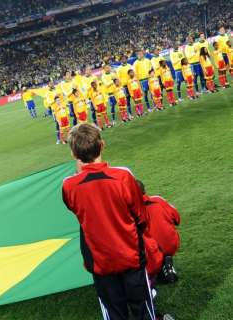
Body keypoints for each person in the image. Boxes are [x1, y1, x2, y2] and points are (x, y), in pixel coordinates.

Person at [62, 124, 173, 320]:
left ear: (73, 153)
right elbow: (141, 216)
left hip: (100, 260)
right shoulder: (123, 176)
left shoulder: (69, 185)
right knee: (142, 307)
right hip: (131, 255)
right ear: (102, 145)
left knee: (114, 312)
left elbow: (76, 210)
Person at [137, 181, 180, 284]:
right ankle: (166, 263)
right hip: (171, 244)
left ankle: (154, 271)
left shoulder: (128, 210)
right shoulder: (158, 200)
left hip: (151, 251)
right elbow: (177, 219)